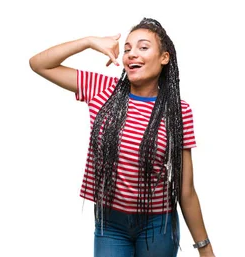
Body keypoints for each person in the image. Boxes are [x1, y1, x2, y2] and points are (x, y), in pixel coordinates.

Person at [29, 18, 214, 257]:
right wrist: (88, 42)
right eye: (127, 49)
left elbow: (185, 187)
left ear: (164, 58)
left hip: (158, 224)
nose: (131, 54)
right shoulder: (101, 90)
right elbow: (39, 64)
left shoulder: (177, 111)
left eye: (143, 47)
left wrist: (205, 248)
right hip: (111, 224)